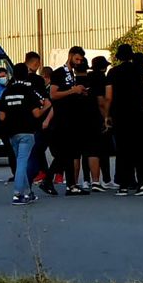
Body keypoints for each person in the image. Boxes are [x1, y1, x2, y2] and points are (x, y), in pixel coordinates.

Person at [0, 63, 51, 205]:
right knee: (23, 163)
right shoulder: (28, 90)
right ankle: (18, 194)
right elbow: (36, 113)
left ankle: (28, 193)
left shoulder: (7, 91)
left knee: (20, 161)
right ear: (26, 74)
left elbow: (1, 116)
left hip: (11, 132)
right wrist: (46, 107)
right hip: (27, 131)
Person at [48, 47, 90, 196]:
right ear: (71, 56)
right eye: (77, 59)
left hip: (72, 117)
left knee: (70, 152)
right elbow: (53, 94)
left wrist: (80, 92)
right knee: (64, 152)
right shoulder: (59, 72)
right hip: (62, 118)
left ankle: (71, 185)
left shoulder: (73, 74)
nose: (79, 62)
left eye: (81, 60)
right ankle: (50, 180)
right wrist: (73, 91)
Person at [106, 44, 143, 195]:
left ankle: (123, 185)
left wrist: (106, 115)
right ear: (131, 55)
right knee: (139, 149)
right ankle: (142, 183)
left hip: (119, 115)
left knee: (123, 150)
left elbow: (108, 96)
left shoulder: (113, 72)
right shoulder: (140, 71)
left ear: (118, 57)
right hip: (137, 114)